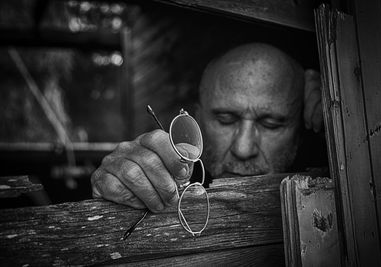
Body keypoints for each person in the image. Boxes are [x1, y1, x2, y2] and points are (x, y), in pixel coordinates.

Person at [91, 43, 322, 213]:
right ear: (198, 119)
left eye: (271, 124)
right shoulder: (174, 183)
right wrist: (120, 184)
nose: (243, 148)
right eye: (225, 119)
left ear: (301, 127)